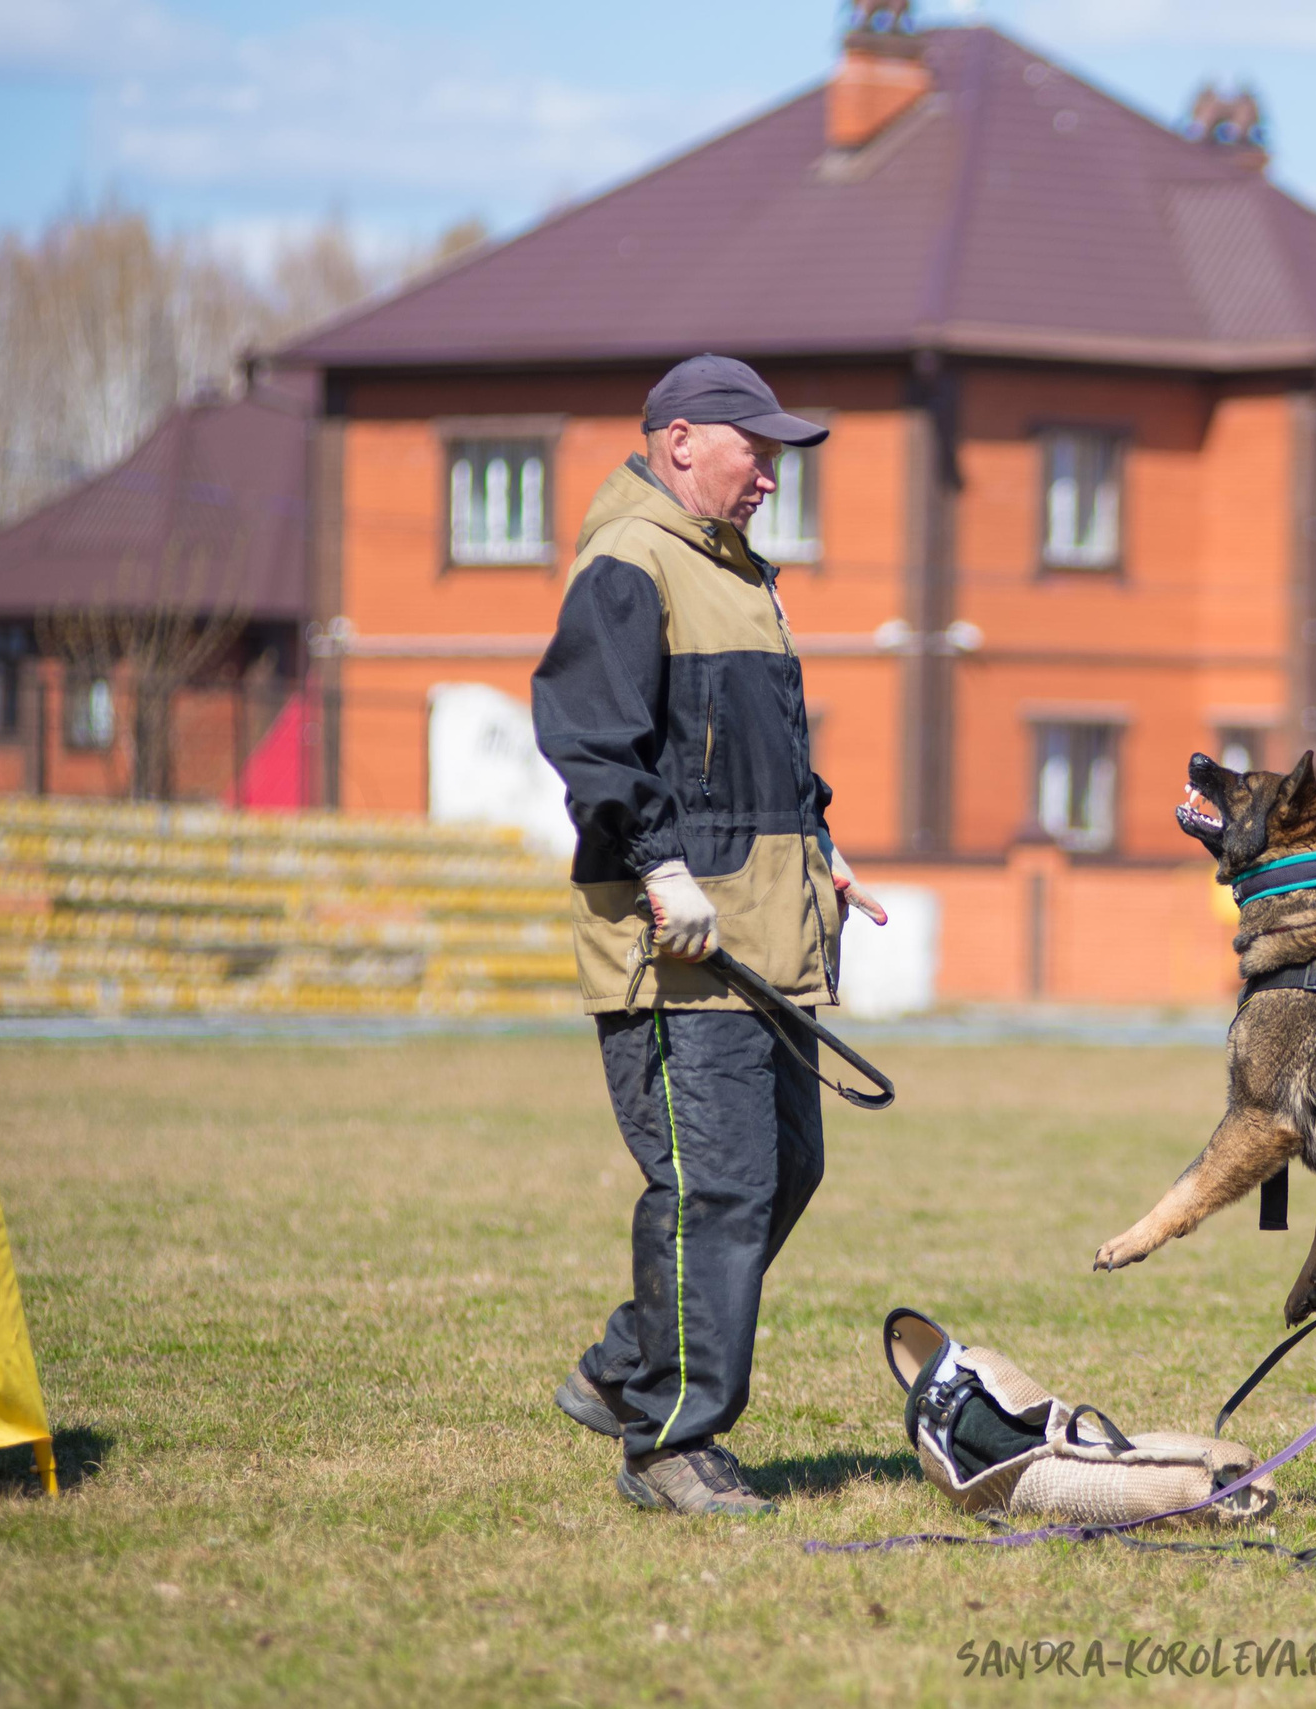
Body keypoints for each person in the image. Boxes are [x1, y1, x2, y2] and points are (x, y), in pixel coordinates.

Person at [532, 354, 885, 1516]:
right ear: (680, 440)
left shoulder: (735, 575)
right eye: (757, 452)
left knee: (787, 1170)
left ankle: (623, 1366)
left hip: (767, 936)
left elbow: (753, 750)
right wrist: (656, 863)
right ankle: (670, 1442)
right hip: (680, 946)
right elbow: (591, 737)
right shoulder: (632, 562)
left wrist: (820, 842)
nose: (771, 477)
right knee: (717, 1187)